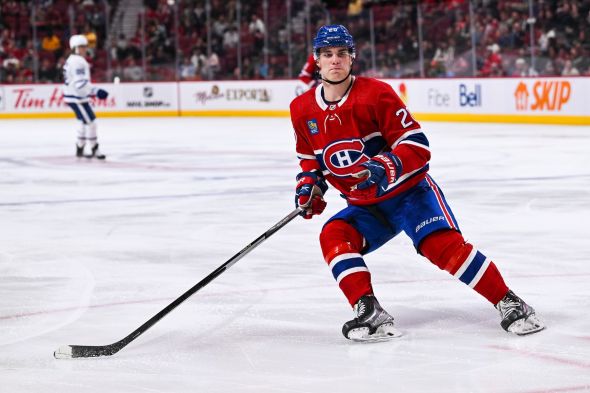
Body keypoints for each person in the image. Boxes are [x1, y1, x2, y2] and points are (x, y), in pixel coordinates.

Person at [289, 25, 544, 342]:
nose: (335, 61)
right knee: (334, 234)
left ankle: (510, 302)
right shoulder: (301, 110)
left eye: (342, 53)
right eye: (328, 54)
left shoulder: (376, 94)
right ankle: (369, 310)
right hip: (366, 206)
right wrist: (309, 187)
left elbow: (418, 145)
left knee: (440, 247)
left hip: (409, 193)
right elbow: (310, 161)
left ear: (352, 58)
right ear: (317, 60)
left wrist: (385, 164)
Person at [62, 35, 109, 159]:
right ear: (75, 48)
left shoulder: (72, 59)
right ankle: (94, 148)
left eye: (85, 46)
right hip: (77, 97)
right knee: (91, 122)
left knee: (83, 121)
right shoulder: (78, 62)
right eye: (81, 47)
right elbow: (80, 83)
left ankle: (80, 146)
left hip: (74, 96)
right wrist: (96, 91)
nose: (84, 49)